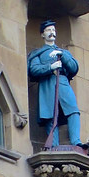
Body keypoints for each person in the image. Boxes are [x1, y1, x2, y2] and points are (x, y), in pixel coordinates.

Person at [27, 20, 83, 148]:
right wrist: (50, 67)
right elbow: (33, 69)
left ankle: (76, 141)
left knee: (73, 109)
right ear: (42, 34)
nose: (51, 32)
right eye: (48, 30)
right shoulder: (38, 54)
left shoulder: (63, 52)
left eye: (53, 30)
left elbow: (74, 68)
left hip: (62, 82)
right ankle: (53, 145)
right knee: (51, 114)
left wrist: (62, 56)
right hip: (47, 84)